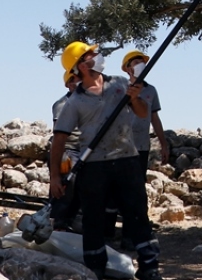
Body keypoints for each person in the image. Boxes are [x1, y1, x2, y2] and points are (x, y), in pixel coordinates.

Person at [49, 41, 162, 280]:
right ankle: (95, 268)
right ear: (80, 66)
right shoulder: (74, 102)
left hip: (127, 160)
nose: (97, 57)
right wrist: (54, 177)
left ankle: (150, 266)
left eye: (95, 53)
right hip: (94, 166)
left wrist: (135, 98)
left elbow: (142, 113)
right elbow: (59, 141)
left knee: (137, 213)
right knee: (93, 218)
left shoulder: (120, 84)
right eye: (90, 55)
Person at [120, 51, 169, 178]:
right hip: (122, 146)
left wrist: (163, 145)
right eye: (136, 62)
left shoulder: (151, 90)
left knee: (139, 182)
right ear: (128, 69)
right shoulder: (121, 89)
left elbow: (155, 118)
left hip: (142, 145)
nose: (140, 65)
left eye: (142, 62)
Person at [50, 68, 82, 231]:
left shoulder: (87, 102)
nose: (78, 81)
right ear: (68, 84)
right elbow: (59, 135)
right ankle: (59, 221)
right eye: (74, 79)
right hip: (69, 150)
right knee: (67, 186)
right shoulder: (62, 104)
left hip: (85, 150)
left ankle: (71, 220)